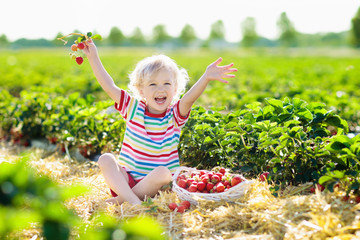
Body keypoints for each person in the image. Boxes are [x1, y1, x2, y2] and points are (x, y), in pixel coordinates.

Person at [83, 39, 237, 205]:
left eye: (167, 83)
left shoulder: (174, 115)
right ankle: (134, 202)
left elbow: (188, 100)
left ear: (175, 89)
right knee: (105, 159)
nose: (160, 89)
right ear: (141, 90)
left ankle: (124, 201)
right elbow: (109, 86)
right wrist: (93, 58)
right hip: (125, 182)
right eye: (153, 84)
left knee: (163, 173)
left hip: (157, 187)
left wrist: (205, 78)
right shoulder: (132, 108)